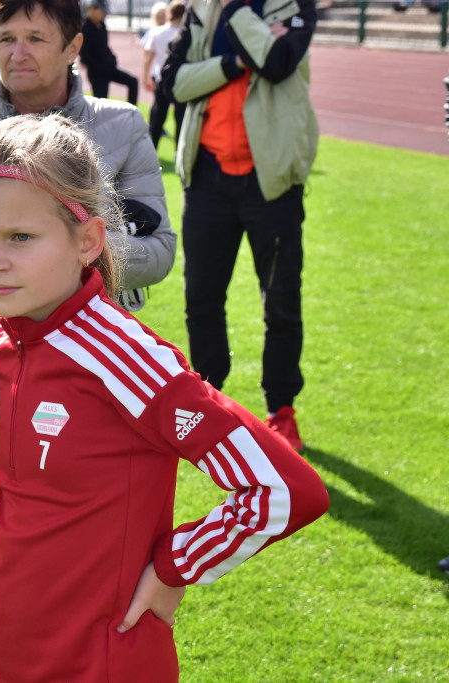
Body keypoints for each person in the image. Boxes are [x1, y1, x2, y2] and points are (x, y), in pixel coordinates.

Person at [0, 112, 329, 683]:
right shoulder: (1, 346)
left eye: (20, 237)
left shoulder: (125, 360)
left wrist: (176, 567)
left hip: (97, 660)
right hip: (2, 645)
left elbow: (283, 489)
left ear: (87, 242)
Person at [0, 0, 178, 668]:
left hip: (89, 367)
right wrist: (37, 245)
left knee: (70, 535)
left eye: (37, 36)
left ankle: (78, 650)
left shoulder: (119, 127)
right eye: (5, 36)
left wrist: (61, 249)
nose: (19, 51)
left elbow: (161, 250)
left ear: (74, 46)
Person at [161, 0, 319, 451]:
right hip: (207, 181)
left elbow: (278, 63)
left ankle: (281, 410)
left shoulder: (294, 7)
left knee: (282, 301)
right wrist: (231, 62)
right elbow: (174, 83)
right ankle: (211, 401)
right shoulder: (199, 11)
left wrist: (236, 11)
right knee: (202, 298)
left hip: (272, 186)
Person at [141, 0, 185, 149]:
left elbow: (148, 58)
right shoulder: (184, 33)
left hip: (161, 79)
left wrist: (145, 76)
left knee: (158, 117)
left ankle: (153, 148)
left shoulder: (156, 32)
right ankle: (178, 151)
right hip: (180, 80)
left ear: (169, 14)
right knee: (180, 117)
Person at [79, 0, 138, 105]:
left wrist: (112, 59)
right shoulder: (84, 29)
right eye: (101, 10)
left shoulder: (102, 26)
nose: (103, 14)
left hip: (109, 69)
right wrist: (103, 67)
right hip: (97, 74)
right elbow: (85, 58)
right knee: (102, 104)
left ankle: (131, 115)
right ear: (91, 9)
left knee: (133, 82)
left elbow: (105, 47)